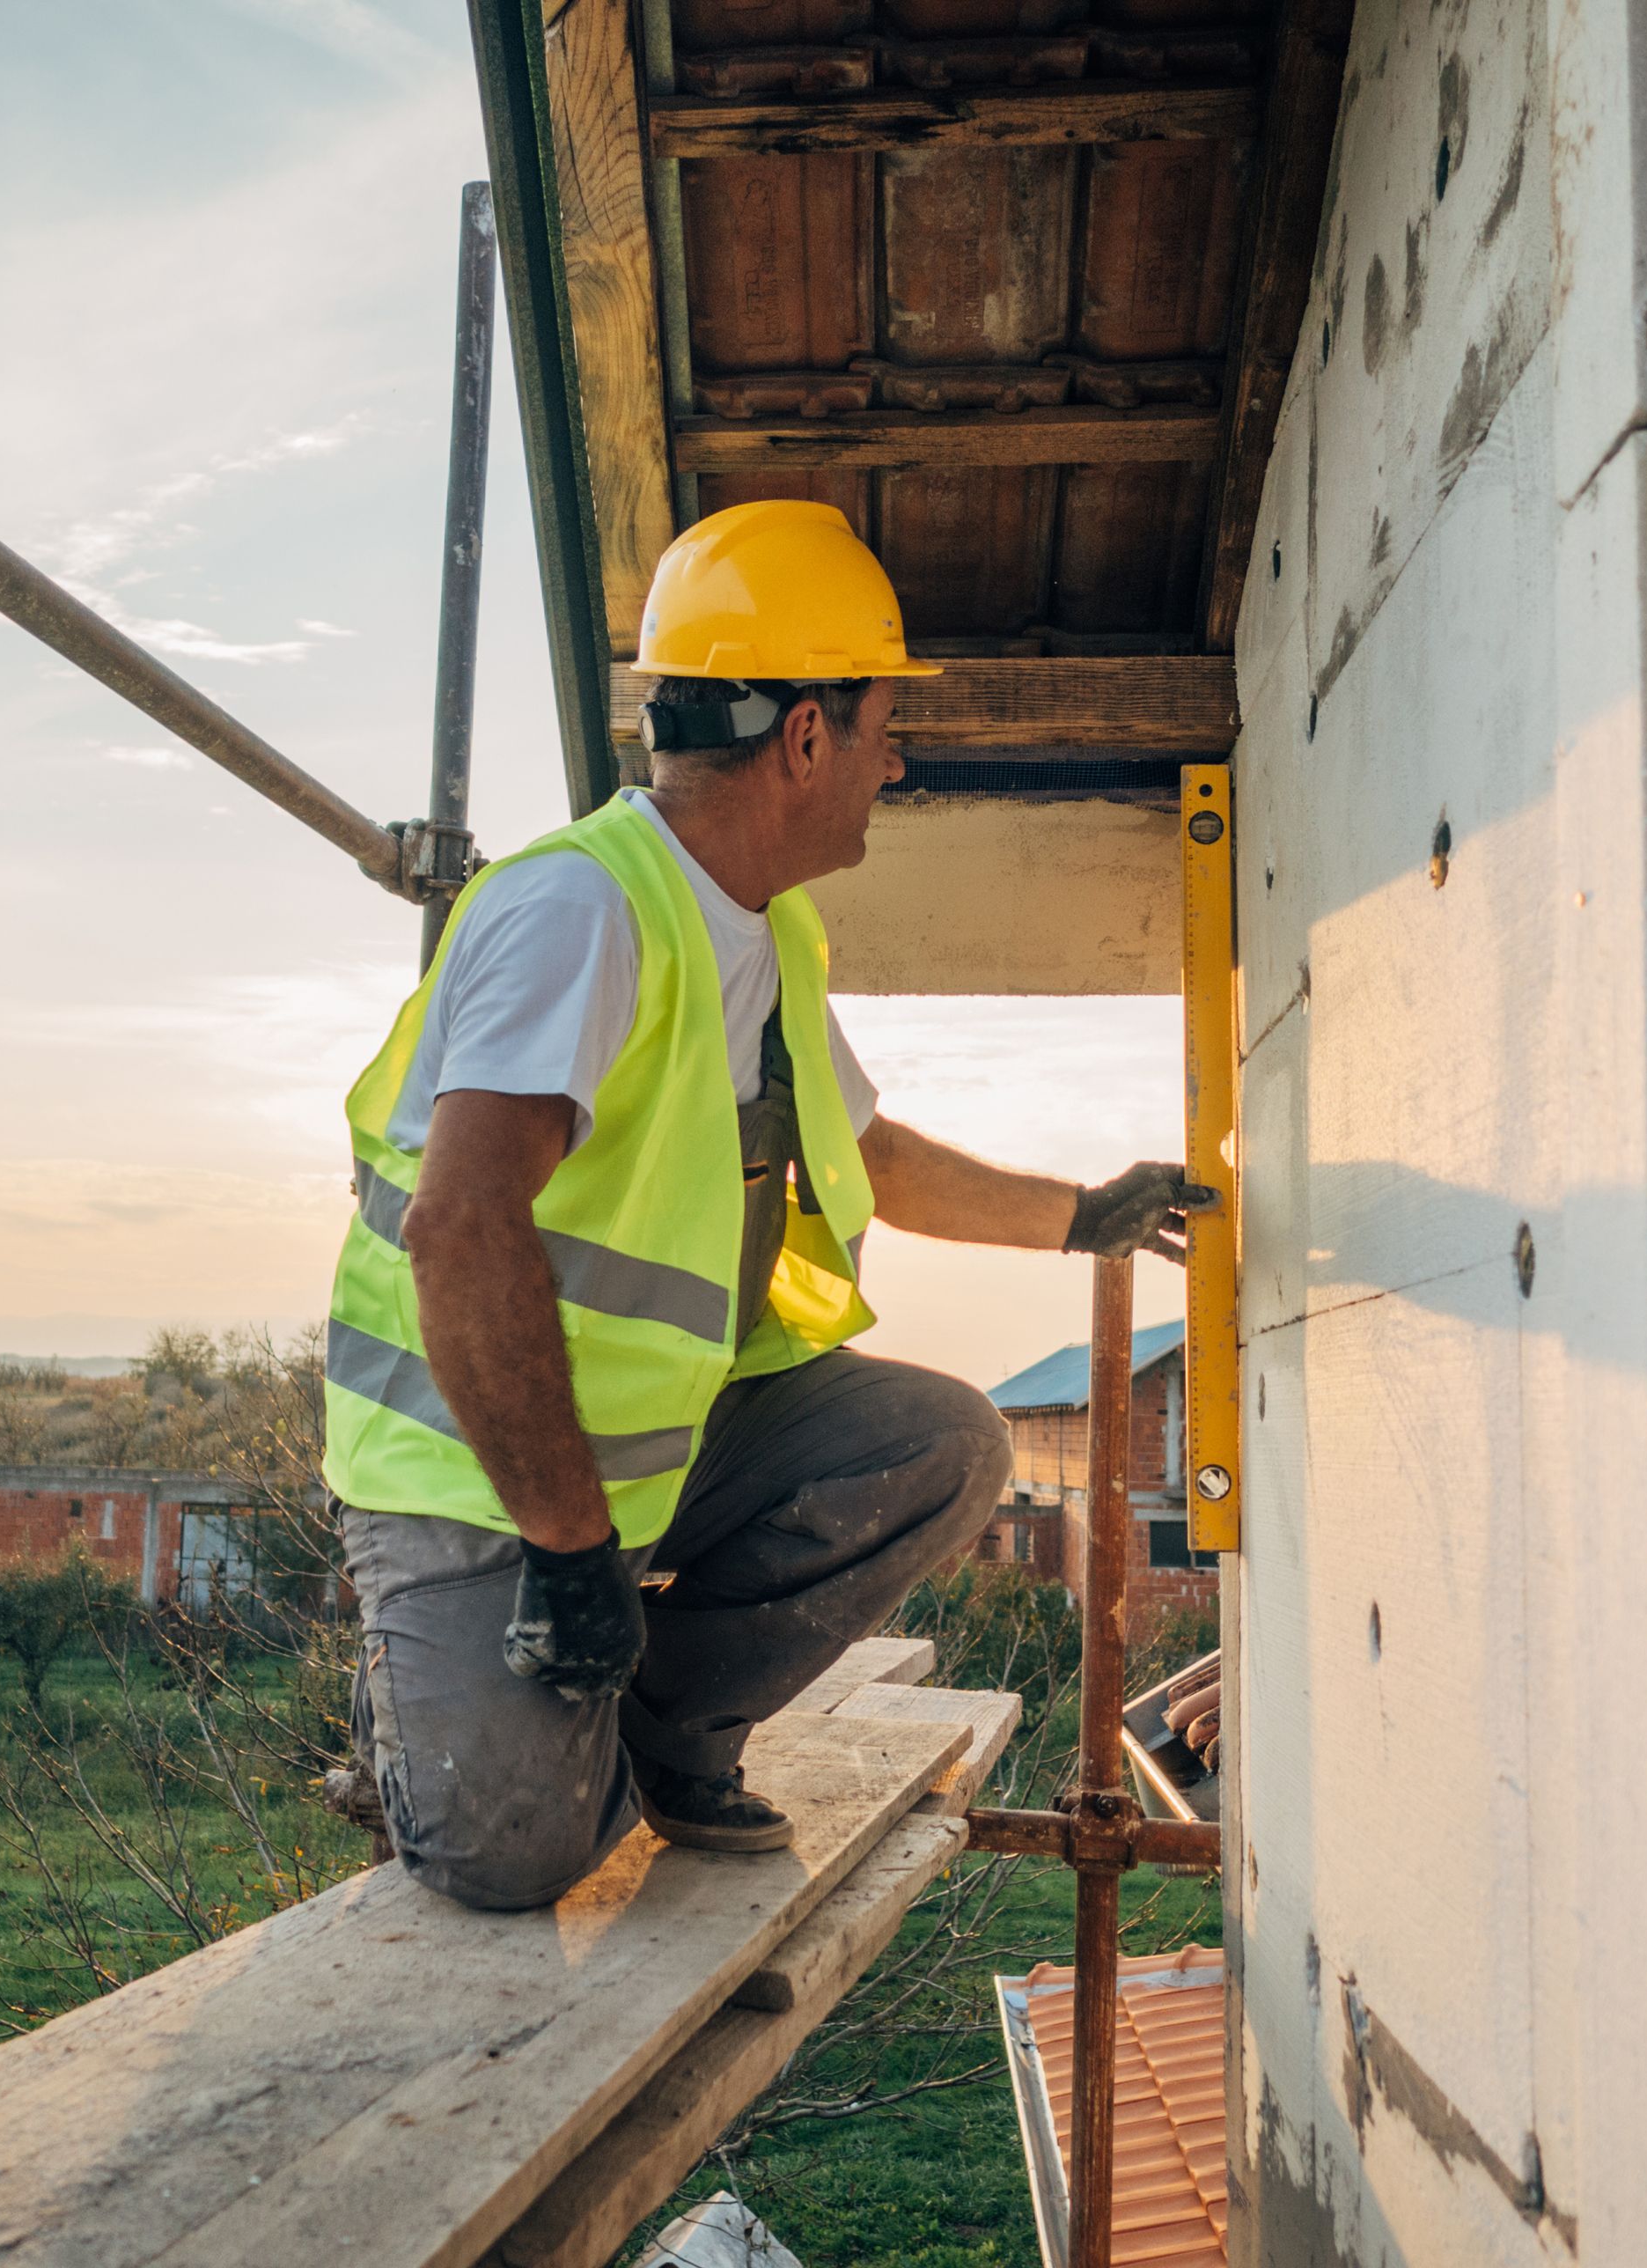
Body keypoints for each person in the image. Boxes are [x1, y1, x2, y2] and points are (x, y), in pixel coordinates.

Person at [323, 499, 1210, 1911]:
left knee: (943, 1444)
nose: (894, 760)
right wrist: (565, 1551)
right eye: (879, 725)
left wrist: (1079, 1214)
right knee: (509, 1860)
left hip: (653, 1459)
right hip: (476, 1479)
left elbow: (876, 1152)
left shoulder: (763, 924)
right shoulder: (583, 913)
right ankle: (418, 1730)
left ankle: (665, 1735)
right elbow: (461, 1227)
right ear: (805, 736)